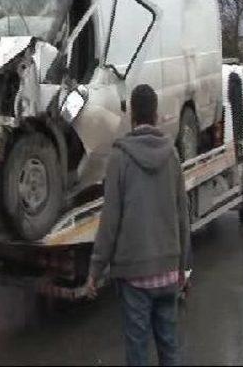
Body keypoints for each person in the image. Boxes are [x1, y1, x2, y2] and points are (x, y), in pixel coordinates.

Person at [86, 84, 190, 366]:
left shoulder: (120, 158)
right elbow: (183, 216)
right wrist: (184, 268)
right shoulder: (173, 156)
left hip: (134, 275)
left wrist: (95, 269)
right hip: (168, 271)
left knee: (137, 351)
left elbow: (110, 220)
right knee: (169, 347)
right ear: (156, 115)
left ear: (132, 115)